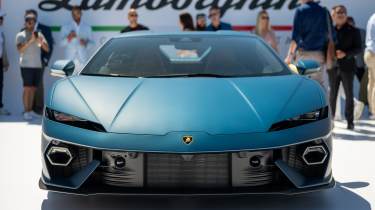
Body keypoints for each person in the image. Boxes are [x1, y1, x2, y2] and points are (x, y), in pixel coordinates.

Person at [285, 0, 335, 89]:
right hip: (319, 55)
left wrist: (289, 56)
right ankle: (323, 103)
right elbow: (332, 34)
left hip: (304, 55)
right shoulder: (323, 11)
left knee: (302, 86)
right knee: (318, 85)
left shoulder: (301, 10)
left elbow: (296, 37)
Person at [328, 5, 361, 129]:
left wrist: (345, 54)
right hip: (333, 67)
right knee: (332, 95)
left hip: (347, 67)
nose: (341, 14)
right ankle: (330, 122)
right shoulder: (330, 31)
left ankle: (350, 122)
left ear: (346, 15)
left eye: (343, 12)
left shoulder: (353, 30)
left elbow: (358, 48)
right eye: (338, 12)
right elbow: (325, 46)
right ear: (334, 15)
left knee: (348, 94)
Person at [16, 12, 49, 121]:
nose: (30, 23)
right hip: (26, 65)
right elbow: (20, 49)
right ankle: (26, 111)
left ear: (35, 22)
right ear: (25, 22)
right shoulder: (20, 35)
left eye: (32, 21)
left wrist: (41, 42)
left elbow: (47, 49)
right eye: (28, 21)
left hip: (37, 66)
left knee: (34, 89)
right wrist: (30, 41)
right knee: (27, 88)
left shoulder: (39, 34)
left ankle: (30, 110)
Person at [24, 9, 54, 115]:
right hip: (27, 62)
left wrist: (45, 60)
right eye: (27, 17)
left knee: (38, 84)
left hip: (40, 61)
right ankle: (28, 109)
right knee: (27, 85)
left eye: (31, 17)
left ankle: (39, 108)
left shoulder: (44, 29)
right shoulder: (23, 30)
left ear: (35, 17)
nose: (29, 19)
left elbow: (50, 45)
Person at [347, 16, 369, 120]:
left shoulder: (362, 32)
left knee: (366, 88)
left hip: (361, 65)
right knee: (347, 89)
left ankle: (371, 109)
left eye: (351, 24)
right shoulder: (343, 32)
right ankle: (352, 112)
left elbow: (366, 47)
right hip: (348, 65)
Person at [365, 13, 375, 120]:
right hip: (374, 53)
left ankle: (373, 111)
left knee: (372, 83)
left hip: (369, 53)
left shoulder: (372, 16)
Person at [0, 10, 10, 116]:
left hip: (0, 61)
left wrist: (5, 62)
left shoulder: (1, 32)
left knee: (0, 85)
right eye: (1, 18)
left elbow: (3, 49)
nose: (2, 20)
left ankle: (0, 107)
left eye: (2, 18)